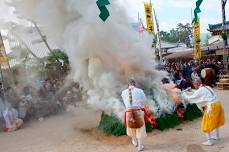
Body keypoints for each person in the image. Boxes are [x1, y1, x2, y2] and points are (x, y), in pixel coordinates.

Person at [183, 79, 225, 146]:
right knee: (217, 121)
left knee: (206, 123)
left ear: (197, 84)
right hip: (218, 104)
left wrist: (184, 94)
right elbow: (200, 93)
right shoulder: (207, 87)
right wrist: (192, 91)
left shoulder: (200, 90)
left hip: (212, 106)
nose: (193, 86)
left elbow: (191, 98)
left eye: (194, 84)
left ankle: (209, 141)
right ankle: (217, 136)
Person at [121, 79, 147, 151]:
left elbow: (125, 101)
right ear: (135, 84)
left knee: (131, 128)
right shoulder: (140, 91)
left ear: (128, 85)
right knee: (140, 128)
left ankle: (134, 142)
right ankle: (140, 146)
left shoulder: (123, 92)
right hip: (138, 111)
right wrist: (140, 105)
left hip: (129, 111)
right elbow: (144, 100)